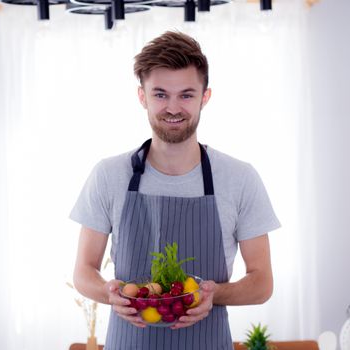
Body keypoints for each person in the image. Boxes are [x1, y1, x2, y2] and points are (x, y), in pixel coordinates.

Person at [70, 30, 280, 350]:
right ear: (142, 96)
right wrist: (109, 293)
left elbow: (262, 283)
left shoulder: (239, 178)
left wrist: (214, 295)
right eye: (160, 94)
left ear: (204, 97)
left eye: (185, 94)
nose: (172, 108)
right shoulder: (109, 175)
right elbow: (84, 271)